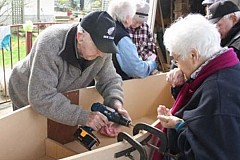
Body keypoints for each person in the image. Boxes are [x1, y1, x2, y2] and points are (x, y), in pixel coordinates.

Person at [8, 11, 130, 137]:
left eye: (106, 48)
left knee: (50, 127)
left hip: (52, 93)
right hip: (24, 90)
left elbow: (109, 79)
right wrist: (83, 117)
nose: (102, 54)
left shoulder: (103, 49)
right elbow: (41, 97)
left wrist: (116, 104)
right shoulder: (50, 43)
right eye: (98, 47)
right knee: (27, 137)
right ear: (80, 36)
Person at [153, 14, 240, 159]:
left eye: (177, 59)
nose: (177, 66)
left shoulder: (217, 94)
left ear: (194, 55)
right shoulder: (228, 68)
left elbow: (207, 154)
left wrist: (179, 127)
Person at [107, 0, 157, 80]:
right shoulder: (122, 37)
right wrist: (153, 64)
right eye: (134, 19)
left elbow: (150, 51)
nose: (136, 24)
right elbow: (137, 69)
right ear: (127, 18)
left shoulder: (108, 27)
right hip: (118, 79)